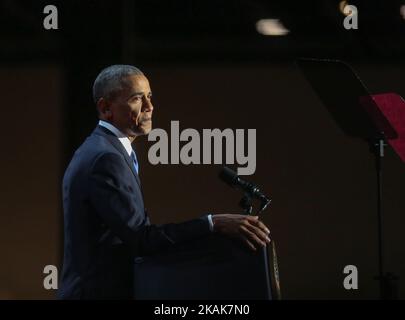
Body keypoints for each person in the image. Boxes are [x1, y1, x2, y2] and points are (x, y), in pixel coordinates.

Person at [58, 65, 271, 299]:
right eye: (137, 99)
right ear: (105, 107)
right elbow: (141, 239)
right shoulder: (105, 158)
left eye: (149, 96)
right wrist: (212, 223)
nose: (150, 107)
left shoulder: (107, 150)